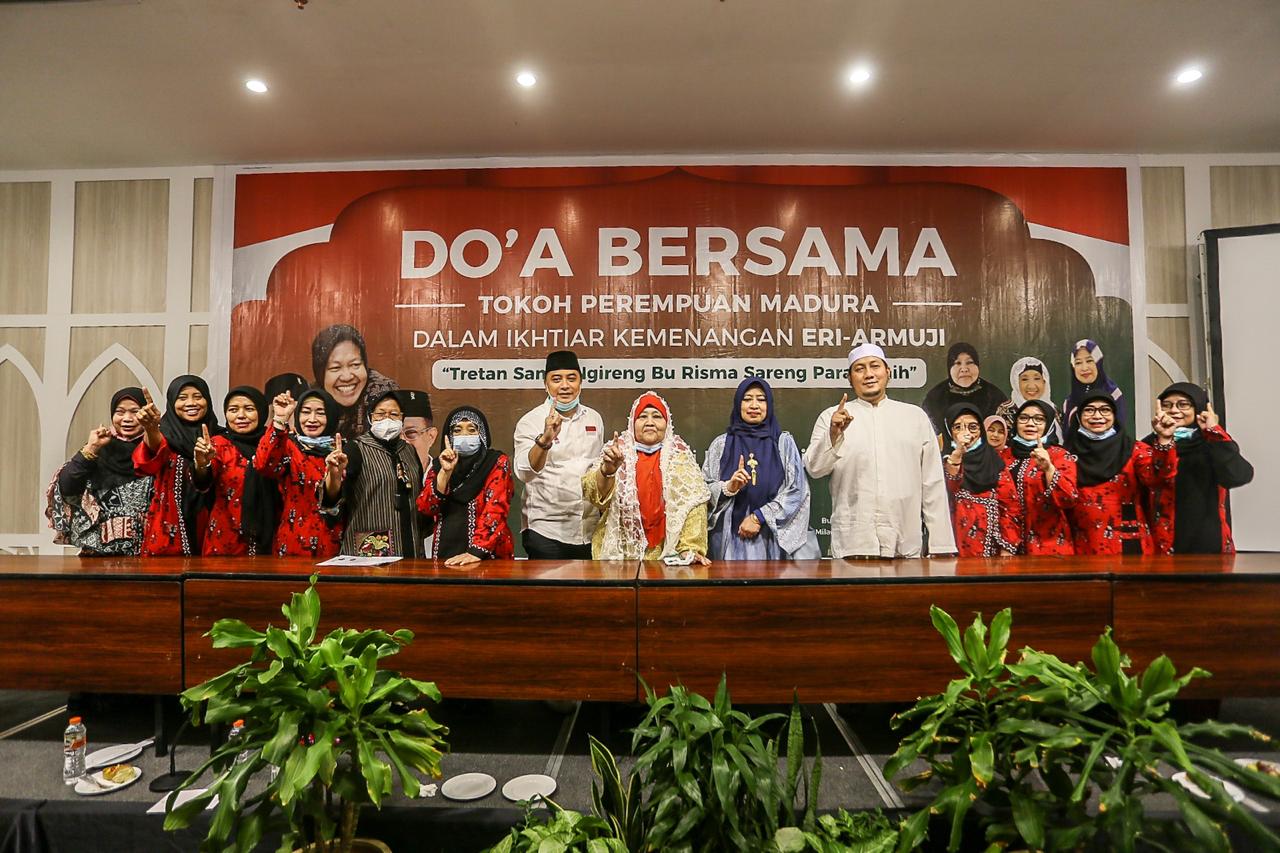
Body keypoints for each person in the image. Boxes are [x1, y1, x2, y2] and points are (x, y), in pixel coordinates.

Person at [804, 343, 956, 558]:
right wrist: (833, 435)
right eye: (859, 369)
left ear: (888, 372)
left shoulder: (914, 417)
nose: (868, 374)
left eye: (874, 366)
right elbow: (814, 469)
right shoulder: (832, 417)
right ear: (849, 378)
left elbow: (932, 484)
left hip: (905, 545)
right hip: (853, 545)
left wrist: (941, 545)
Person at [583, 392, 710, 562]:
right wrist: (608, 471)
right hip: (620, 554)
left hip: (667, 554)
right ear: (632, 423)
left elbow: (695, 504)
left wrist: (689, 548)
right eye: (642, 417)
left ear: (667, 423)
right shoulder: (616, 452)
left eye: (657, 416)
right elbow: (595, 498)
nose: (650, 422)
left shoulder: (679, 456)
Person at [702, 378, 817, 560]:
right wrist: (728, 487)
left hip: (772, 539)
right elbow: (703, 491)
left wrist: (759, 517)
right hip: (729, 541)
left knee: (770, 588)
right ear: (738, 404)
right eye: (747, 399)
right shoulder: (721, 445)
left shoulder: (783, 443)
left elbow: (797, 491)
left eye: (761, 399)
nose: (754, 405)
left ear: (769, 405)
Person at [513, 351, 604, 558]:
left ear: (581, 383)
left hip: (589, 531)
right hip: (546, 532)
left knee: (589, 591)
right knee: (551, 591)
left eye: (572, 378)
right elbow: (524, 473)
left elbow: (596, 471)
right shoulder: (531, 421)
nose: (565, 385)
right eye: (556, 379)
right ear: (546, 384)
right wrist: (545, 440)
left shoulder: (594, 419)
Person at [1144, 382, 1254, 554]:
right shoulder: (1147, 445)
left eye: (1183, 404)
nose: (1173, 410)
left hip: (1207, 540)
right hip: (1160, 542)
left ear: (1199, 408)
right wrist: (1164, 441)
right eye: (1167, 405)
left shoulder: (1212, 442)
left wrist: (1213, 431)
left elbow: (1237, 476)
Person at [1065, 392, 1177, 555]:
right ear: (1078, 416)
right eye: (1089, 410)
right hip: (1082, 542)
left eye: (1105, 410)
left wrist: (1164, 440)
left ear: (1115, 415)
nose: (1097, 416)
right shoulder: (1066, 455)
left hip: (1128, 541)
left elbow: (1158, 479)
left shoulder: (1135, 450)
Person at [46, 387, 154, 555]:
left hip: (149, 552)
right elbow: (67, 488)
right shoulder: (100, 448)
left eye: (135, 412)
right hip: (100, 552)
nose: (127, 419)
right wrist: (92, 448)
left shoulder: (156, 451)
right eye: (120, 412)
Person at [323, 389, 427, 557]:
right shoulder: (356, 449)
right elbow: (331, 502)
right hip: (370, 548)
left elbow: (420, 498)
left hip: (410, 545)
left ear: (402, 418)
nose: (387, 419)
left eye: (394, 414)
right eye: (380, 414)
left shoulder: (409, 451)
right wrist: (334, 475)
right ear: (370, 417)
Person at [133, 375, 222, 556]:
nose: (191, 403)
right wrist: (151, 429)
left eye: (198, 397)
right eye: (182, 398)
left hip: (214, 526)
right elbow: (150, 457)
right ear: (172, 402)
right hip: (169, 523)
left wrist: (202, 463)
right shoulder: (163, 434)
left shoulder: (220, 437)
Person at [255, 387, 345, 558]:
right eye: (305, 412)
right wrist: (280, 419)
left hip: (333, 544)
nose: (312, 419)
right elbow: (263, 465)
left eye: (320, 413)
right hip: (292, 543)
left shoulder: (341, 450)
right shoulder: (288, 446)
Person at [418, 406, 515, 564]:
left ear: (482, 435)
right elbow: (426, 508)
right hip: (446, 552)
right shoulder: (438, 465)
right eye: (457, 430)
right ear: (448, 436)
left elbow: (495, 509)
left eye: (472, 430)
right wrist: (445, 473)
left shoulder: (496, 462)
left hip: (488, 554)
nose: (465, 436)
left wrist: (476, 552)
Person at [191, 387, 279, 556]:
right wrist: (201, 464)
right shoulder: (218, 444)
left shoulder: (273, 444)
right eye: (233, 410)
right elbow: (203, 483)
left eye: (249, 409)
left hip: (270, 541)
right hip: (226, 540)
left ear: (261, 411)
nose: (240, 416)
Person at [941, 403, 1021, 557]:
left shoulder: (994, 462)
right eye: (958, 427)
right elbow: (949, 488)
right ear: (949, 431)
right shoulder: (942, 461)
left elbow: (1011, 507)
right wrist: (957, 453)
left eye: (973, 427)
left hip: (990, 549)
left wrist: (1006, 547)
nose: (967, 433)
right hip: (952, 546)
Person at [1006, 399, 1078, 555]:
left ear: (1049, 424)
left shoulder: (1059, 455)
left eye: (1039, 419)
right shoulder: (1003, 456)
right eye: (1024, 418)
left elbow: (1068, 498)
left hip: (1049, 547)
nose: (1030, 424)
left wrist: (1049, 468)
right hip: (1009, 548)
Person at [310, 324, 398, 438]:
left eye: (355, 365)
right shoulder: (311, 398)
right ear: (320, 373)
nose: (347, 377)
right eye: (335, 368)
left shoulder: (383, 392)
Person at [921, 342, 1009, 436]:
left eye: (969, 362)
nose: (964, 369)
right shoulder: (935, 398)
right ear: (949, 367)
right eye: (957, 363)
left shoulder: (994, 396)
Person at [996, 357, 1063, 444]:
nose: (1031, 386)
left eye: (1037, 378)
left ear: (1044, 381)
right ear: (1016, 382)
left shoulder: (1054, 409)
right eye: (1024, 379)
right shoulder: (1006, 410)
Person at [1063, 339, 1126, 429]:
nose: (1084, 368)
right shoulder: (1069, 402)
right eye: (1078, 363)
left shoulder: (1114, 394)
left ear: (1098, 362)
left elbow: (1119, 431)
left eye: (1089, 361)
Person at [400, 389, 438, 475]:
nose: (401, 441)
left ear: (431, 436)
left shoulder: (445, 476)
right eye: (394, 434)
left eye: (410, 433)